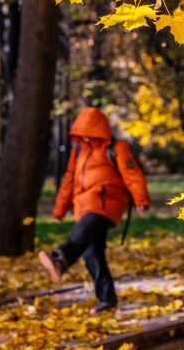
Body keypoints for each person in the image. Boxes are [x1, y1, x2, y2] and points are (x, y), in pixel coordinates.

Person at [38, 107, 150, 313]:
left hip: (106, 203)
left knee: (82, 232)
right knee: (92, 253)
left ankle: (60, 260)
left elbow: (133, 174)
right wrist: (60, 208)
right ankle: (107, 300)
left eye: (89, 133)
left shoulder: (117, 148)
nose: (85, 138)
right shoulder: (79, 151)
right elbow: (69, 180)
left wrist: (140, 198)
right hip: (83, 205)